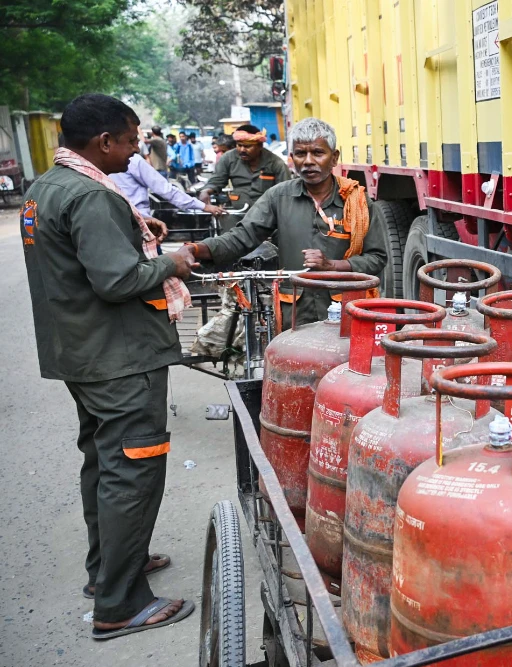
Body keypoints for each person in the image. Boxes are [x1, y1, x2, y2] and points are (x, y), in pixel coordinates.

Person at [20, 93, 199, 639]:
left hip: (81, 353)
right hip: (119, 359)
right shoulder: (91, 196)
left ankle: (109, 569)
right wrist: (173, 263)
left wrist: (136, 237)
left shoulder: (46, 188)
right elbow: (118, 280)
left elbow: (84, 259)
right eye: (129, 141)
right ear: (103, 142)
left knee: (103, 462)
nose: (134, 151)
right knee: (132, 468)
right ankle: (120, 604)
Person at [188, 117, 387, 328]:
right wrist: (197, 249)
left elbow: (376, 258)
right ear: (292, 158)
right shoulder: (278, 197)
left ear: (334, 157)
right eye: (301, 154)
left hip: (345, 309)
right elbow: (241, 237)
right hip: (294, 312)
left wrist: (333, 266)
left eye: (318, 153)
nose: (308, 161)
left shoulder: (356, 200)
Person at [199, 123, 291, 212]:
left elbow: (285, 192)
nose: (242, 150)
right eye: (239, 145)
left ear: (260, 146)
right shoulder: (228, 158)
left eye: (247, 146)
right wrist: (205, 191)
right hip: (238, 213)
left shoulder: (276, 163)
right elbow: (217, 180)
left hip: (266, 215)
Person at [111, 152, 226, 218]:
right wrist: (204, 206)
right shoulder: (133, 160)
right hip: (140, 223)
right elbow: (165, 190)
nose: (136, 148)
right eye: (132, 140)